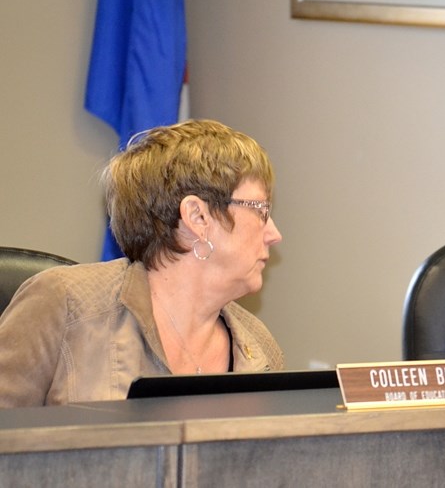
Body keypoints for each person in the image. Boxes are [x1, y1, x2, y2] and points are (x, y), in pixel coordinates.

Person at [0, 119, 284, 406]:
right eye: (261, 210)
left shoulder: (259, 346)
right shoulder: (64, 305)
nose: (274, 234)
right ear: (197, 217)